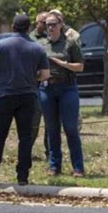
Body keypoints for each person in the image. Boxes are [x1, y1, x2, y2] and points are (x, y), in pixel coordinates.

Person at [0, 14, 50, 185]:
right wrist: (33, 79)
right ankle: (22, 176)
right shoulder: (38, 48)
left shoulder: (1, 45)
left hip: (5, 95)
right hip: (28, 96)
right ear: (28, 28)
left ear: (12, 27)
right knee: (25, 137)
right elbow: (46, 75)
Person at [38, 12, 85, 177]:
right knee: (52, 129)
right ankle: (54, 166)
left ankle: (78, 167)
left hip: (67, 88)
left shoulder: (70, 43)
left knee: (71, 128)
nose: (50, 27)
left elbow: (80, 66)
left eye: (53, 24)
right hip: (46, 89)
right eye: (47, 24)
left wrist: (63, 64)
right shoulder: (41, 45)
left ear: (61, 25)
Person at [29, 12, 50, 159]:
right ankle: (26, 151)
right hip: (35, 85)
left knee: (51, 122)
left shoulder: (54, 36)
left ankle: (50, 152)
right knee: (33, 122)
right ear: (37, 23)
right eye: (44, 22)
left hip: (51, 85)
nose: (47, 25)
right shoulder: (30, 39)